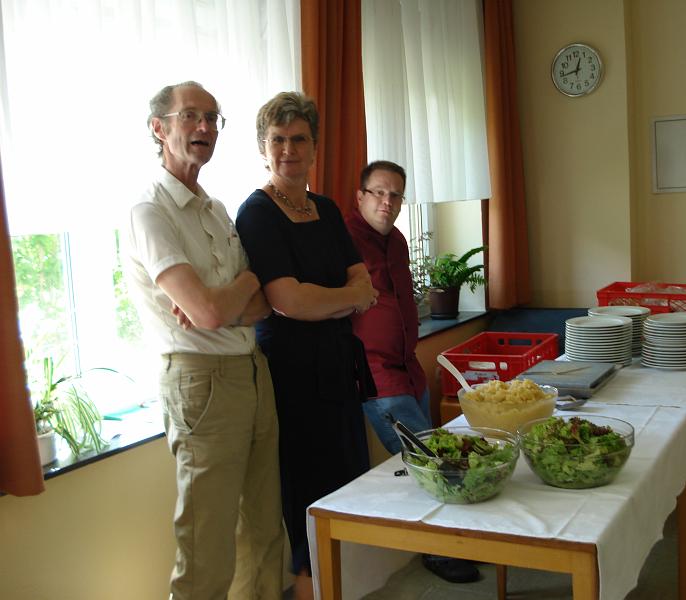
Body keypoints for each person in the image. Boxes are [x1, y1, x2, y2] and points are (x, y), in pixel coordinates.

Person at [125, 81, 284, 600]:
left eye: (213, 118)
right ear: (159, 128)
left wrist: (227, 299)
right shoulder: (150, 210)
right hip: (201, 381)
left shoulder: (215, 208)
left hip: (252, 370)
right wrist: (231, 295)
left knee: (265, 529)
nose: (204, 127)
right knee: (206, 546)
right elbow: (209, 311)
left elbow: (260, 304)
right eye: (191, 116)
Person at [235, 91, 379, 600]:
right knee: (306, 500)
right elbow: (289, 301)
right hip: (290, 378)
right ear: (263, 147)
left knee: (349, 489)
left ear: (315, 148)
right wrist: (346, 299)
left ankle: (345, 589)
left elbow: (363, 282)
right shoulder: (256, 213)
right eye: (278, 140)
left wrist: (331, 301)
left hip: (338, 369)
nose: (288, 150)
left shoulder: (327, 208)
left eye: (299, 139)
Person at [345, 160, 480, 584]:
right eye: (378, 193)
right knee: (428, 463)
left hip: (409, 368)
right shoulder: (343, 240)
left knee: (433, 458)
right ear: (360, 196)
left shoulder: (398, 240)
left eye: (395, 195)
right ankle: (439, 550)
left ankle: (458, 537)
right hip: (377, 375)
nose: (387, 202)